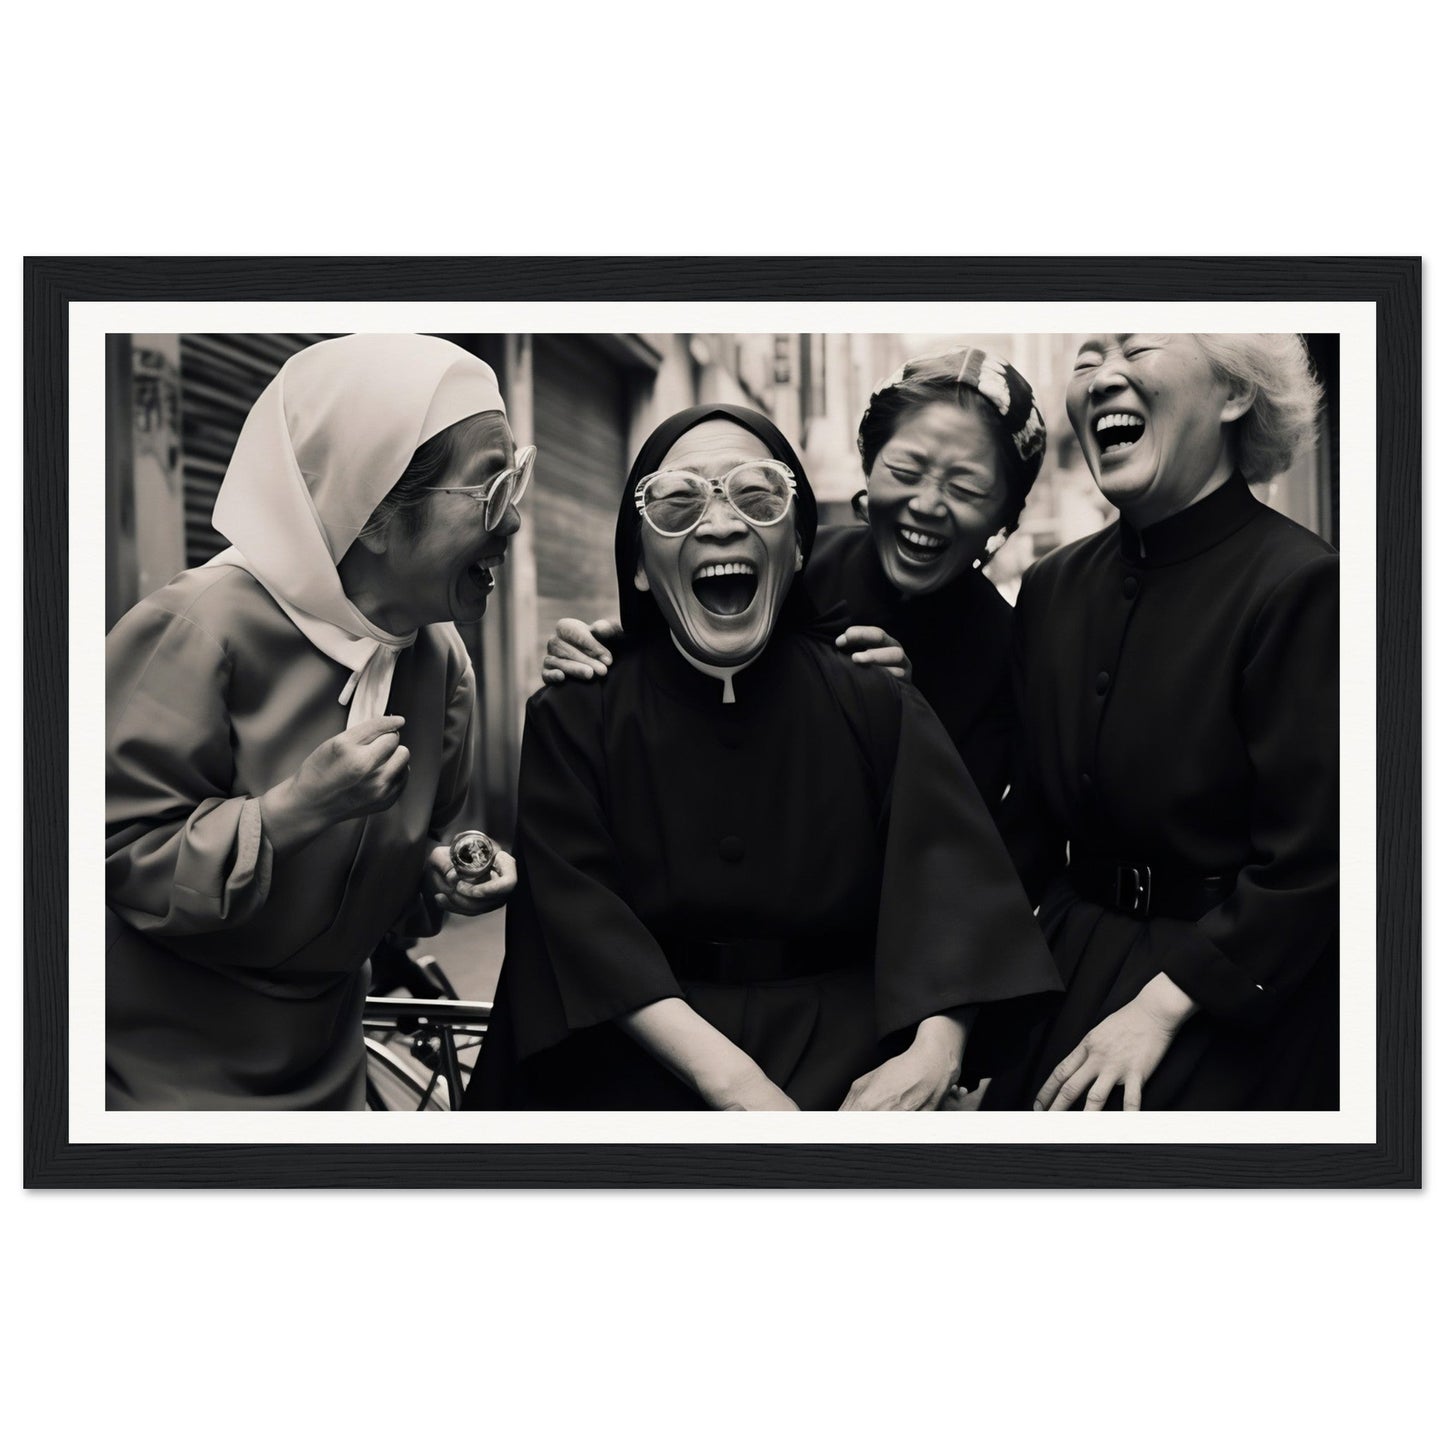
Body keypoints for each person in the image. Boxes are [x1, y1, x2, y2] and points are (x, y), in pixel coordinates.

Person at [465, 404, 1059, 1111]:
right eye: (678, 502)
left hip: (845, 1070)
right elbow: (577, 924)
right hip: (628, 1061)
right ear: (640, 568)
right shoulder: (574, 714)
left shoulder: (879, 701)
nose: (719, 524)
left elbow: (954, 896)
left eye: (756, 496)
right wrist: (735, 1082)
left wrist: (934, 1050)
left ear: (799, 546)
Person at [106, 333, 522, 1109]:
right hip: (149, 1073)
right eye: (490, 491)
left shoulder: (442, 664)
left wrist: (433, 869)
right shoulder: (195, 628)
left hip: (330, 1068)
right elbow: (108, 858)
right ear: (372, 511)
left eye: (516, 484)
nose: (516, 523)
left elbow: (399, 873)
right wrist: (296, 811)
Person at [987, 333, 1338, 1111]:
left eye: (1136, 347)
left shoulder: (1301, 584)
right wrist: (956, 1022)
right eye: (1085, 358)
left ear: (1235, 394)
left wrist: (1160, 1006)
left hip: (1231, 990)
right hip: (1068, 961)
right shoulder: (1049, 588)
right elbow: (1026, 833)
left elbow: (1316, 856)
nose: (1102, 376)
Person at [540, 347, 1046, 811]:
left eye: (966, 487)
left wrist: (902, 720)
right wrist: (612, 648)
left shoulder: (1008, 648)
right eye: (906, 471)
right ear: (868, 467)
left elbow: (967, 835)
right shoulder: (785, 563)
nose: (927, 505)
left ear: (1006, 514)